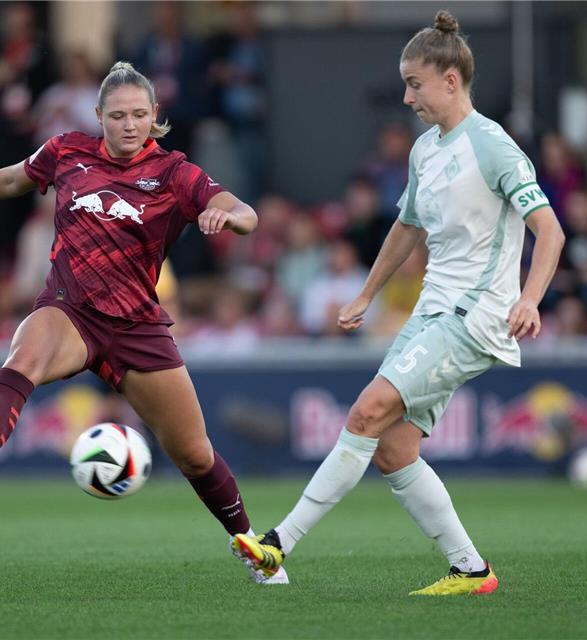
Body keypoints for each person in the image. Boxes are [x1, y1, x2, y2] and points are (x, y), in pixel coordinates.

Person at [0, 61, 288, 585]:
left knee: (195, 455)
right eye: (118, 116)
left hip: (137, 327)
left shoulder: (177, 173)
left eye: (139, 114)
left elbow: (243, 210)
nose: (129, 125)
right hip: (71, 309)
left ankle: (256, 554)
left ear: (155, 115)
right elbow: (14, 179)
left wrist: (229, 217)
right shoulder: (68, 151)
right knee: (23, 356)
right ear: (99, 116)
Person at [231, 11, 564, 595]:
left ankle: (276, 544)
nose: (408, 96)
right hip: (432, 312)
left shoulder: (493, 147)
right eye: (406, 83)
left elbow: (550, 230)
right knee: (392, 448)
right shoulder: (425, 150)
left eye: (415, 83)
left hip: (475, 315)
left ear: (452, 81)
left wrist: (531, 298)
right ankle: (471, 571)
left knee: (364, 413)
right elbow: (406, 228)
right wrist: (366, 292)